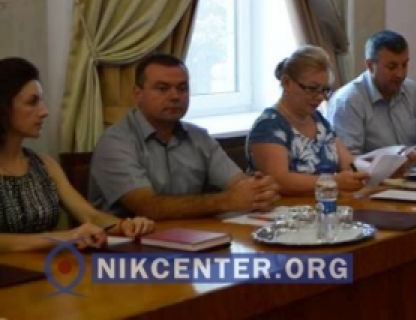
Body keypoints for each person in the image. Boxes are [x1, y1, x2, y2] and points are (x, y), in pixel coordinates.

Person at [90, 53, 280, 219]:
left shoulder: (199, 137)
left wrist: (260, 190)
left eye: (182, 88)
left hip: (194, 237)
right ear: (137, 94)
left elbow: (238, 183)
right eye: (162, 88)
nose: (175, 96)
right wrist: (227, 201)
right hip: (128, 242)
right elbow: (147, 207)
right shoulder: (115, 142)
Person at [0, 57, 154, 252]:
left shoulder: (44, 164)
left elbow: (89, 215)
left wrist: (125, 225)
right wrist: (64, 237)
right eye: (32, 102)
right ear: (3, 108)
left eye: (41, 101)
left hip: (44, 265)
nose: (44, 111)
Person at [246, 46, 367, 195]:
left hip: (326, 202)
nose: (320, 97)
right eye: (312, 88)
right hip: (285, 208)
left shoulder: (318, 119)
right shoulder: (269, 126)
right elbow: (278, 180)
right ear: (286, 82)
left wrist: (365, 173)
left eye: (324, 90)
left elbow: (348, 163)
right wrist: (333, 181)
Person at [329, 30, 416, 163]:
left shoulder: (410, 89)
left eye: (404, 65)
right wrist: (390, 165)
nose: (400, 74)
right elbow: (348, 162)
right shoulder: (348, 101)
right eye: (392, 67)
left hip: (415, 172)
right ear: (370, 66)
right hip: (373, 175)